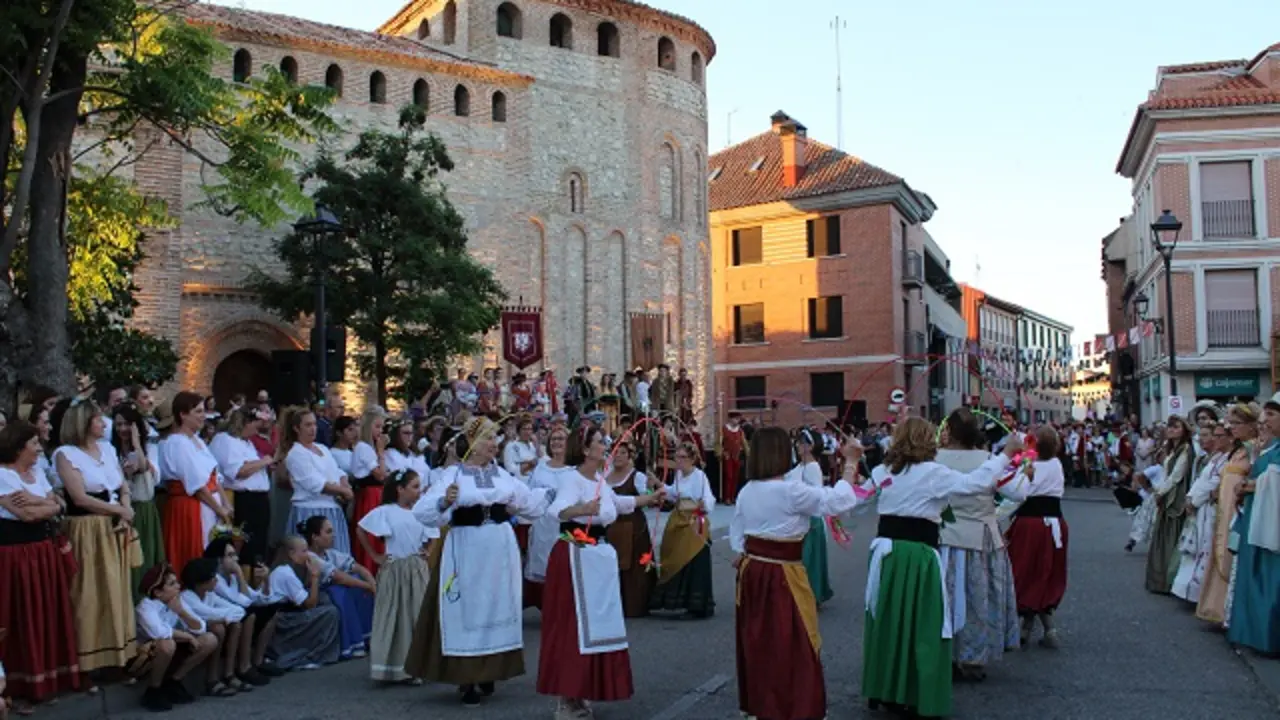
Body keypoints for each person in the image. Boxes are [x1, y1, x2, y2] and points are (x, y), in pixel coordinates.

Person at [861, 417, 1022, 718]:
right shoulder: (932, 474)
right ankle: (913, 691)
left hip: (886, 556)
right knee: (924, 624)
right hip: (919, 557)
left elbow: (856, 499)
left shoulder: (883, 472)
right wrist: (1004, 455)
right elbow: (975, 483)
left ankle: (884, 687)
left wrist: (849, 465)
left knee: (888, 620)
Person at [405, 416, 554, 708]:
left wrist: (555, 492)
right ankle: (466, 678)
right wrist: (445, 503)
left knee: (496, 605)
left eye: (495, 439)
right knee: (468, 608)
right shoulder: (453, 476)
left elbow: (529, 504)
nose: (494, 444)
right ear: (472, 443)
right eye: (488, 438)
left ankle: (490, 669)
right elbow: (423, 512)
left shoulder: (500, 475)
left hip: (499, 546)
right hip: (468, 546)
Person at [730, 426, 863, 720]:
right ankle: (793, 707)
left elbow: (737, 533)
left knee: (759, 641)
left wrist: (744, 552)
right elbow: (838, 501)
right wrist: (850, 464)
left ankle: (762, 704)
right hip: (783, 576)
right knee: (794, 641)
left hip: (753, 573)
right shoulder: (790, 491)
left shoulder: (747, 491)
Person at [537, 426, 664, 718]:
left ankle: (581, 691)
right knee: (573, 627)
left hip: (596, 558)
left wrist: (651, 497)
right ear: (585, 449)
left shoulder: (599, 479)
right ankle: (566, 696)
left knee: (594, 629)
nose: (606, 445)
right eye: (600, 442)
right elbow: (556, 510)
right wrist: (581, 507)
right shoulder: (572, 479)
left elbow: (619, 504)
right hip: (573, 556)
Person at [52, 398, 142, 674]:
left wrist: (125, 507)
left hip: (113, 524)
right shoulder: (65, 454)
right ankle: (87, 661)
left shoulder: (107, 448)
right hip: (88, 528)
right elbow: (79, 497)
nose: (104, 424)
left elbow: (122, 485)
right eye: (97, 419)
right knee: (89, 592)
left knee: (116, 589)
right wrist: (116, 509)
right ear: (82, 423)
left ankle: (118, 654)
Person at [935, 408, 1024, 680]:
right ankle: (973, 656)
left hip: (945, 536)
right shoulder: (988, 460)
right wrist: (999, 514)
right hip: (981, 537)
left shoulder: (935, 459)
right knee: (977, 597)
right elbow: (1018, 492)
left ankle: (946, 654)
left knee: (947, 598)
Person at [0, 421, 80, 712]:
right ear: (19, 446)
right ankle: (19, 687)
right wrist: (47, 506)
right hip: (16, 554)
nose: (38, 449)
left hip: (42, 552)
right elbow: (25, 514)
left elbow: (55, 505)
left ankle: (46, 680)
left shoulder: (35, 474)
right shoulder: (2, 475)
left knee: (44, 611)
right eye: (34, 444)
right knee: (21, 616)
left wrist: (48, 504)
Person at [356, 469, 432, 684]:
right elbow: (361, 529)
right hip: (394, 568)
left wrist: (428, 550)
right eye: (415, 487)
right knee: (394, 615)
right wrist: (375, 555)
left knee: (416, 615)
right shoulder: (386, 511)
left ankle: (416, 666)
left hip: (416, 568)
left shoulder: (420, 512)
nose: (419, 491)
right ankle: (391, 666)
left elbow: (431, 534)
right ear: (400, 489)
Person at [1005, 426, 1070, 648]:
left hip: (1029, 524)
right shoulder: (1056, 464)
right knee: (1046, 572)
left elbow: (1019, 491)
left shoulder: (1029, 467)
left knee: (1025, 571)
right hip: (1054, 525)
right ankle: (1043, 627)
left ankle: (1027, 627)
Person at [1226, 393, 1280, 653]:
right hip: (1258, 516)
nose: (1265, 420)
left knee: (1269, 578)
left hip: (1272, 522)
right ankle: (1255, 633)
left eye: (1271, 415)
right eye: (1265, 414)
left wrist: (1251, 485)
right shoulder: (1271, 447)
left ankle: (1268, 636)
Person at [1198, 403, 1260, 625]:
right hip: (1225, 509)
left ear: (1251, 425)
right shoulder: (1238, 450)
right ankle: (1219, 609)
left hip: (1238, 510)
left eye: (1236, 423)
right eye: (1231, 423)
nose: (1232, 428)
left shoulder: (1254, 449)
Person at [132, 564, 220, 711]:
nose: (178, 586)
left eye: (177, 582)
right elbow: (159, 632)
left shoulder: (176, 602)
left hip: (171, 650)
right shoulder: (145, 607)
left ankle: (174, 681)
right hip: (145, 657)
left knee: (210, 639)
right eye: (172, 584)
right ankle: (154, 690)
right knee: (167, 644)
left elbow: (200, 627)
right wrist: (186, 636)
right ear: (158, 592)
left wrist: (181, 612)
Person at [160, 392, 230, 574]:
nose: (203, 416)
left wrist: (225, 502)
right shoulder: (177, 443)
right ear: (183, 414)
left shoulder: (196, 440)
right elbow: (196, 485)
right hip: (192, 507)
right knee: (196, 552)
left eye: (203, 411)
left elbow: (213, 474)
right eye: (198, 411)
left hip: (209, 505)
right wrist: (219, 509)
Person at [651, 442, 717, 618]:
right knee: (673, 555)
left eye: (683, 457)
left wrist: (704, 505)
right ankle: (674, 600)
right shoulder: (679, 475)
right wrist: (659, 485)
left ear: (692, 459)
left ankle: (696, 605)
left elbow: (709, 498)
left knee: (692, 560)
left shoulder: (700, 476)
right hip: (679, 519)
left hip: (694, 522)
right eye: (677, 457)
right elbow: (675, 493)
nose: (679, 461)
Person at [203, 537, 282, 682]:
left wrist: (266, 580)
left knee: (273, 610)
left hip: (236, 614)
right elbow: (245, 602)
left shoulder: (231, 578)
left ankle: (258, 661)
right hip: (221, 620)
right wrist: (240, 574)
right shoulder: (216, 580)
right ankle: (243, 666)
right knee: (250, 615)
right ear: (219, 560)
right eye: (230, 555)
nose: (236, 559)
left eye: (235, 554)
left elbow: (260, 598)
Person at [112, 401, 166, 603]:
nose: (122, 429)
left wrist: (136, 442)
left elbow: (142, 466)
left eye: (127, 424)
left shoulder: (148, 447)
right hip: (124, 509)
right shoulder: (112, 451)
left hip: (144, 508)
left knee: (146, 557)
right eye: (118, 424)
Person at [300, 516, 375, 660]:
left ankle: (366, 637)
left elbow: (359, 568)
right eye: (328, 532)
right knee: (342, 590)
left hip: (331, 589)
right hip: (315, 594)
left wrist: (372, 584)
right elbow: (338, 576)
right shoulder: (310, 556)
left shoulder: (331, 553)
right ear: (315, 537)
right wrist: (368, 586)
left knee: (358, 585)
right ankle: (351, 644)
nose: (332, 536)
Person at [178, 558, 255, 696]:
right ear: (200, 583)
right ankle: (211, 679)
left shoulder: (210, 595)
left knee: (236, 625)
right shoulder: (187, 597)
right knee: (218, 628)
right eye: (212, 577)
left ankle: (229, 674)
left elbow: (239, 610)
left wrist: (224, 618)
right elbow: (208, 613)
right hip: (190, 636)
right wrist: (224, 617)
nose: (216, 580)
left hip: (206, 629)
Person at [282, 407, 354, 554]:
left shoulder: (323, 448)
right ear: (297, 428)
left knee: (336, 556)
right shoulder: (296, 454)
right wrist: (343, 491)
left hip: (332, 508)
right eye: (308, 425)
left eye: (314, 424)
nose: (313, 429)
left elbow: (337, 471)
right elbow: (314, 483)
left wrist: (345, 485)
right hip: (310, 509)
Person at [210, 407, 276, 567]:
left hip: (259, 499)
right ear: (245, 423)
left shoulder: (247, 443)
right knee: (244, 543)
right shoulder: (224, 440)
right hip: (243, 499)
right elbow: (238, 471)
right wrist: (264, 461)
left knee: (259, 544)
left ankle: (256, 578)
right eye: (255, 423)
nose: (258, 427)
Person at [265, 535, 342, 670]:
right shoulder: (285, 573)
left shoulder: (288, 568)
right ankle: (314, 655)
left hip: (287, 612)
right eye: (304, 551)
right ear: (291, 554)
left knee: (325, 599)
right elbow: (310, 603)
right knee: (331, 612)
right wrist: (315, 576)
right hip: (283, 620)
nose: (308, 555)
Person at [1172, 422, 1229, 603]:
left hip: (1208, 507)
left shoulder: (1226, 458)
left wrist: (1195, 500)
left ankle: (1200, 593)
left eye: (1215, 435)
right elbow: (1200, 480)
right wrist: (1190, 497)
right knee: (1194, 548)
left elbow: (1213, 483)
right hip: (1200, 506)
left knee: (1205, 548)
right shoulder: (1213, 457)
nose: (1205, 439)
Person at [604, 439, 658, 618]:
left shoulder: (637, 476)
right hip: (612, 527)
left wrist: (651, 491)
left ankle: (635, 605)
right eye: (615, 453)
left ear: (630, 457)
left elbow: (649, 500)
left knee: (635, 568)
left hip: (634, 526)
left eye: (622, 453)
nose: (618, 456)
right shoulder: (605, 477)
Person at [1144, 415, 1194, 595]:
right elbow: (1166, 473)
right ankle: (1161, 580)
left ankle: (1170, 581)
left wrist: (1160, 492)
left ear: (1184, 429)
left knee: (1171, 538)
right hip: (1167, 495)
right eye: (1170, 427)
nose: (1172, 430)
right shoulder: (1172, 448)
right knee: (1162, 538)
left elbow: (1176, 476)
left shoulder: (1186, 449)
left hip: (1175, 498)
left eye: (1177, 427)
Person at [525, 424, 574, 610]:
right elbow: (529, 492)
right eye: (553, 439)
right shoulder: (540, 468)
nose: (556, 442)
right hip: (542, 524)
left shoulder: (573, 470)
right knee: (543, 566)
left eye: (561, 439)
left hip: (563, 524)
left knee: (562, 567)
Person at [791, 428, 834, 607]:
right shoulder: (799, 466)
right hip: (799, 519)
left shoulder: (812, 467)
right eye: (798, 442)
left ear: (810, 446)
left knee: (809, 561)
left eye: (802, 442)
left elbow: (815, 495)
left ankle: (811, 594)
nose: (798, 445)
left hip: (811, 520)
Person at [349, 410, 389, 573]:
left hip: (376, 494)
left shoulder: (367, 448)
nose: (380, 431)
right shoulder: (363, 448)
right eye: (377, 426)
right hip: (369, 495)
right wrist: (381, 452)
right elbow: (380, 475)